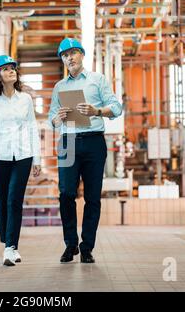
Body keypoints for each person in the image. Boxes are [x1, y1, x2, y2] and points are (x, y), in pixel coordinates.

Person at [48, 38, 122, 264]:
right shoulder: (59, 87)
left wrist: (96, 110)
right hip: (68, 141)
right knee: (66, 194)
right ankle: (71, 245)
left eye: (73, 53)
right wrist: (57, 118)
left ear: (82, 54)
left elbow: (116, 107)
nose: (69, 58)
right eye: (65, 55)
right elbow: (52, 120)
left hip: (93, 142)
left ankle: (87, 246)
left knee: (92, 197)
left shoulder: (97, 80)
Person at [0, 54, 41, 266]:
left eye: (13, 68)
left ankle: (9, 247)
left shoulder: (25, 99)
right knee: (3, 199)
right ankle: (10, 244)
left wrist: (37, 158)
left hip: (23, 155)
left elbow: (33, 128)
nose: (11, 71)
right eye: (6, 69)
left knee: (14, 199)